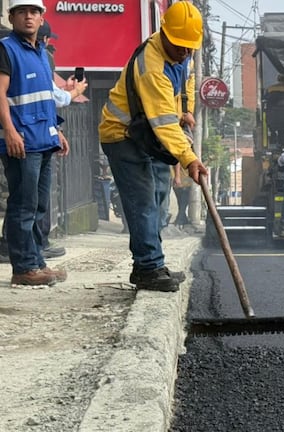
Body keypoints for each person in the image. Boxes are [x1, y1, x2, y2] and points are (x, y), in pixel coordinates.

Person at [98, 1, 208, 292]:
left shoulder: (184, 54)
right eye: (180, 46)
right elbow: (162, 121)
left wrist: (186, 110)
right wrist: (188, 158)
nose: (185, 52)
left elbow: (186, 83)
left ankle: (154, 262)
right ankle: (147, 268)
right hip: (123, 135)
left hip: (149, 134)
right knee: (143, 200)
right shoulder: (152, 66)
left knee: (159, 198)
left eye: (190, 47)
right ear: (165, 33)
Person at [0, 18, 86, 263]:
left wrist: (55, 130)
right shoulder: (8, 49)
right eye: (23, 12)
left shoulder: (40, 54)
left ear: (40, 17)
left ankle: (36, 260)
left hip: (43, 139)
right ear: (12, 17)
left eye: (33, 12)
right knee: (24, 205)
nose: (28, 17)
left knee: (37, 205)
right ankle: (25, 265)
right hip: (22, 142)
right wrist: (10, 130)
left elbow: (45, 98)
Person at [172, 162, 193, 226]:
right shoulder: (183, 159)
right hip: (184, 183)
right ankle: (179, 221)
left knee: (181, 204)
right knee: (183, 204)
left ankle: (184, 219)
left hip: (177, 183)